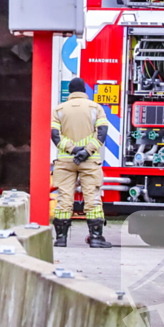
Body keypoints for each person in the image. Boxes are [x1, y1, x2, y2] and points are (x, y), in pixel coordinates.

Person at [51, 76, 112, 249]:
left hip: (65, 161)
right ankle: (96, 238)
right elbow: (101, 133)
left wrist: (73, 150)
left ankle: (61, 239)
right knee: (92, 198)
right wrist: (86, 151)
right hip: (90, 161)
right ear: (84, 91)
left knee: (64, 199)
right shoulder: (96, 108)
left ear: (69, 91)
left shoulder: (59, 110)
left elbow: (56, 137)